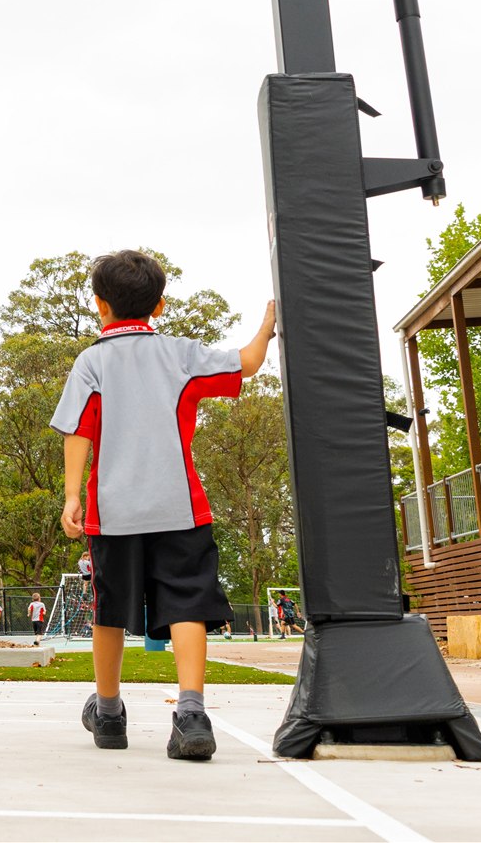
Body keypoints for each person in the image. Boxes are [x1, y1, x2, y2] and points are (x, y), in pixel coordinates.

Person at [54, 248, 278, 760]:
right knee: (187, 603)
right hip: (180, 507)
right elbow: (247, 362)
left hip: (113, 511)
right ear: (159, 306)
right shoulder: (180, 354)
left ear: (100, 304)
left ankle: (108, 713)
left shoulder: (91, 362)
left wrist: (72, 495)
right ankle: (192, 714)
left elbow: (77, 430)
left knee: (109, 608)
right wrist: (267, 327)